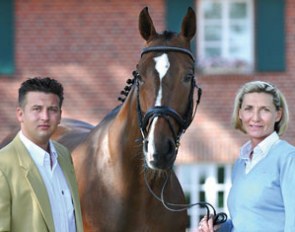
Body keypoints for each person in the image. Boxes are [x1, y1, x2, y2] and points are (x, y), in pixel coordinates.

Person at [198, 80, 295, 232]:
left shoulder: (289, 159)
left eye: (265, 110)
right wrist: (219, 228)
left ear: (278, 114)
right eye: (249, 109)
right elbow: (244, 222)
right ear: (240, 114)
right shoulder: (241, 163)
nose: (255, 118)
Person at [0, 77, 83, 231]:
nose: (45, 117)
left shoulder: (64, 155)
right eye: (37, 109)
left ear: (59, 115)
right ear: (20, 114)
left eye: (52, 109)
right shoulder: (3, 166)